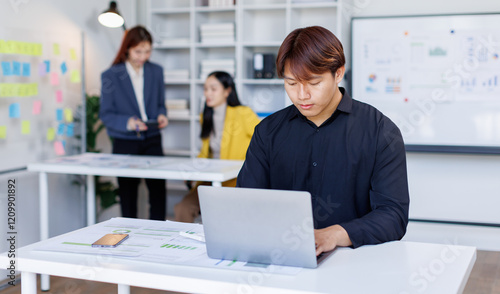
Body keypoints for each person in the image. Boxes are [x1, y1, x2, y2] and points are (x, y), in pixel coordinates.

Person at [237, 26, 410, 255]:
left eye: (314, 83)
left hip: (355, 263)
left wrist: (337, 234)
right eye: (291, 83)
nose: (302, 94)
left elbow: (393, 215)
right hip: (281, 256)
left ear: (338, 73)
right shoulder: (268, 132)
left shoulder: (380, 131)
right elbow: (246, 202)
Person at [100, 25, 168, 220]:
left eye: (147, 51)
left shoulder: (156, 71)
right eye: (138, 51)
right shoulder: (111, 75)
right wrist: (129, 122)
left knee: (157, 192)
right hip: (125, 141)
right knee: (128, 193)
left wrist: (162, 115)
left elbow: (161, 104)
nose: (143, 57)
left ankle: (159, 236)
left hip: (153, 138)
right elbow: (106, 114)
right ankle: (128, 238)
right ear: (127, 48)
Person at [174, 71, 260, 223]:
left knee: (225, 216)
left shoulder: (243, 113)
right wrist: (192, 171)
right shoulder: (205, 116)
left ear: (227, 91)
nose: (208, 93)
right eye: (206, 89)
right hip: (209, 181)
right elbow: (205, 153)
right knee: (183, 207)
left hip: (235, 182)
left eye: (213, 89)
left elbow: (263, 143)